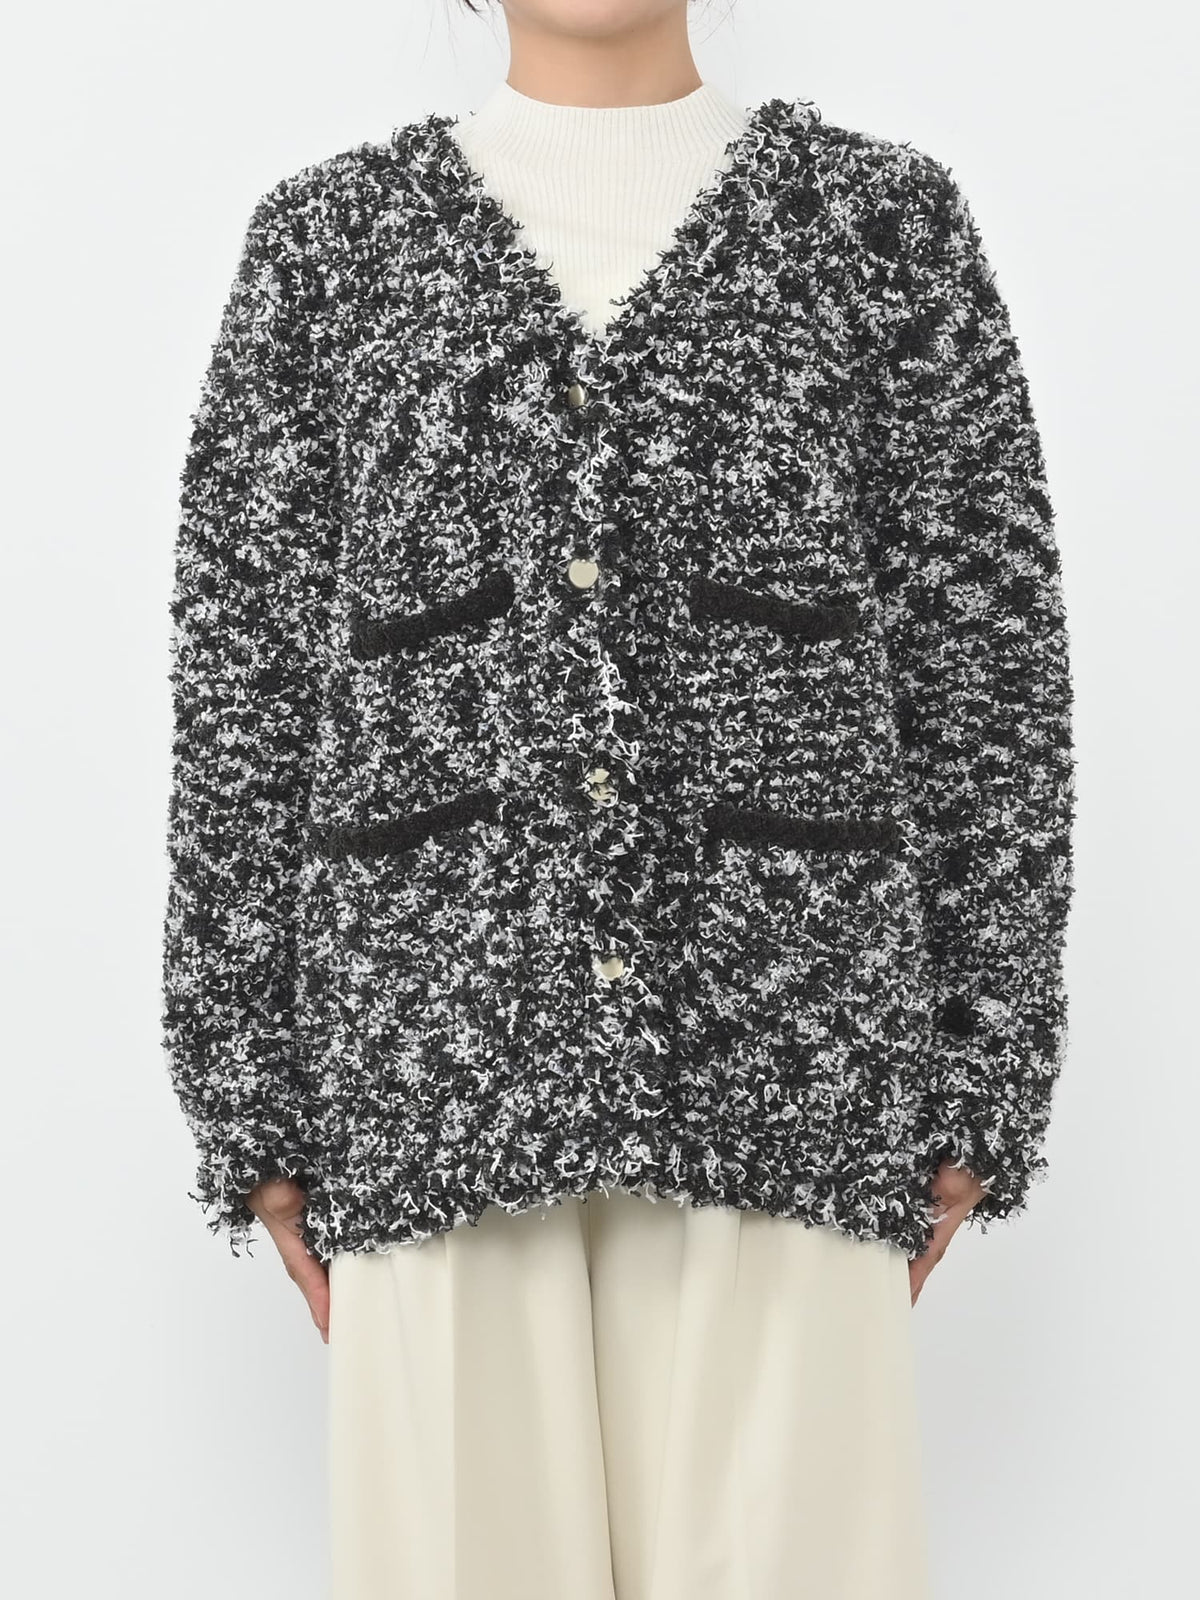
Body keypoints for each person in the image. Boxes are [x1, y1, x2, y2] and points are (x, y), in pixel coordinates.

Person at [161, 2, 1075, 1596]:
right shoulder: (328, 250)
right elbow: (243, 684)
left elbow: (985, 671)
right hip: (433, 1069)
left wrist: (984, 1062)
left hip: (795, 1058)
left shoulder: (881, 230)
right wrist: (243, 1088)